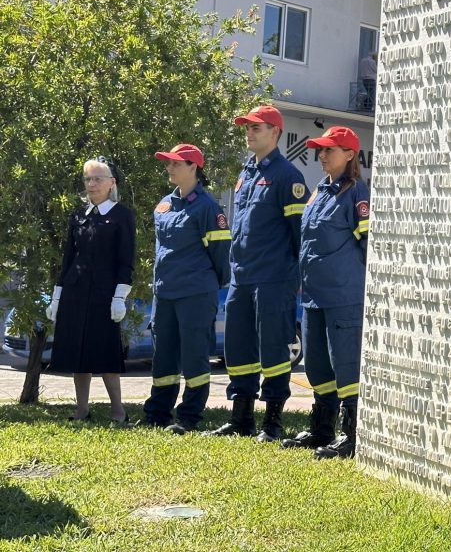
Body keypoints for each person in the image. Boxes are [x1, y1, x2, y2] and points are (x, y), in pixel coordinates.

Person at [210, 104, 308, 442]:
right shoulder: (245, 173)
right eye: (247, 128)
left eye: (257, 127)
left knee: (274, 351)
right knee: (238, 349)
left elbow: (300, 235)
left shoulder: (288, 176)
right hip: (242, 277)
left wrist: (296, 280)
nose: (249, 133)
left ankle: (273, 422)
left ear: (275, 132)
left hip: (274, 279)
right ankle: (241, 420)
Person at [282, 126, 370, 458]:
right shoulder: (320, 192)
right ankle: (321, 429)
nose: (322, 155)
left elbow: (368, 245)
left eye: (329, 150)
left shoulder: (356, 193)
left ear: (349, 155)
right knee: (317, 365)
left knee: (345, 366)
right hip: (314, 295)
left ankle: (351, 435)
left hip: (343, 294)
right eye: (320, 150)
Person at [142, 144, 231, 434]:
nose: (169, 168)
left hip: (195, 293)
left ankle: (189, 416)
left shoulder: (207, 208)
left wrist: (208, 284)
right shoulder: (164, 205)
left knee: (194, 356)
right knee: (164, 355)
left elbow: (220, 254)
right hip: (165, 293)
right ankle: (158, 412)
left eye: (176, 164)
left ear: (194, 167)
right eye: (168, 163)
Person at [46, 157, 136, 424]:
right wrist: (57, 297)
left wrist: (120, 295)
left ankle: (118, 411)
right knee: (78, 351)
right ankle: (81, 409)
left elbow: (126, 260)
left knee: (106, 351)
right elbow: (67, 259)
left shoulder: (121, 216)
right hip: (76, 291)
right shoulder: (78, 216)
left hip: (105, 294)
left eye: (98, 178)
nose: (92, 184)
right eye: (88, 179)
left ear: (112, 183)